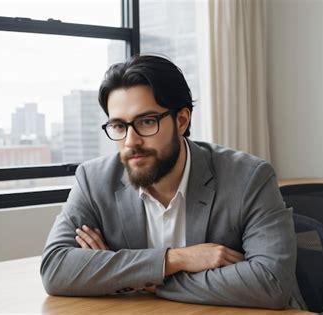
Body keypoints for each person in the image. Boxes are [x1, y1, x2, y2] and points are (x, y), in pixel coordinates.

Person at [40, 55, 305, 310]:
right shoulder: (94, 179)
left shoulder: (249, 177)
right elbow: (55, 269)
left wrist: (138, 278)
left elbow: (272, 282)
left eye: (147, 121)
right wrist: (176, 259)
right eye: (119, 126)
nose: (131, 141)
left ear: (181, 120)